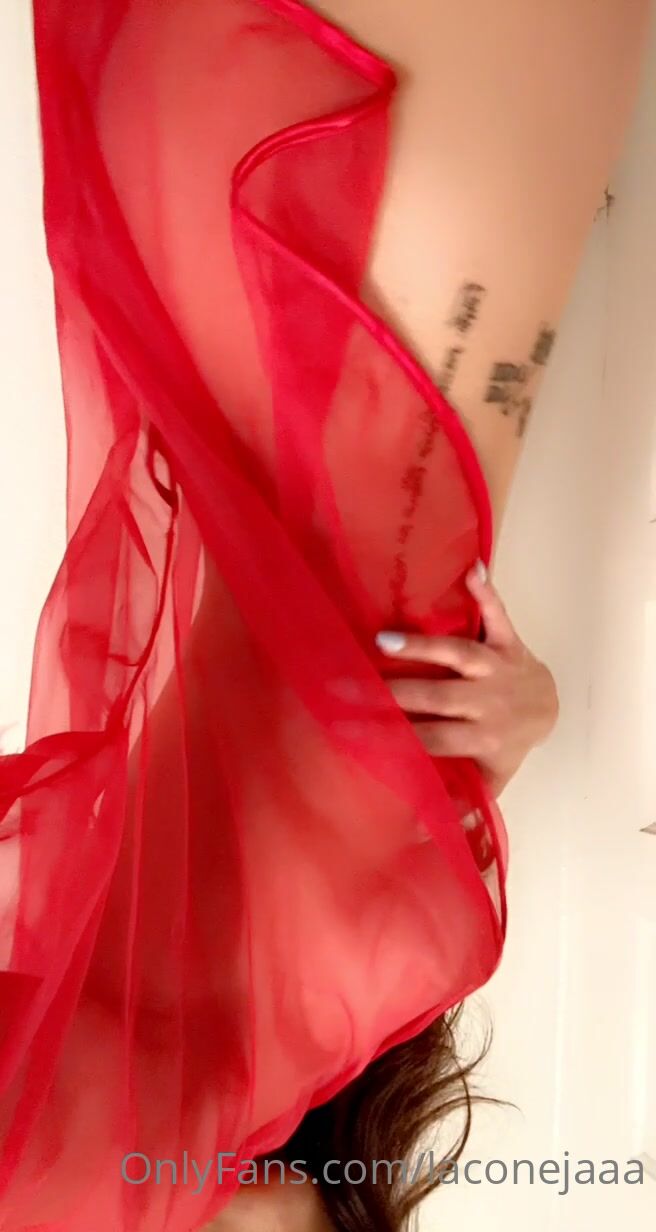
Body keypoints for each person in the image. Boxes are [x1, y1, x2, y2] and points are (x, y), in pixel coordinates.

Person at [0, 3, 649, 1231]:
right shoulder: (321, 1023)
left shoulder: (120, 1082)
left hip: (287, 251)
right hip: (350, 283)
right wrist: (502, 735)